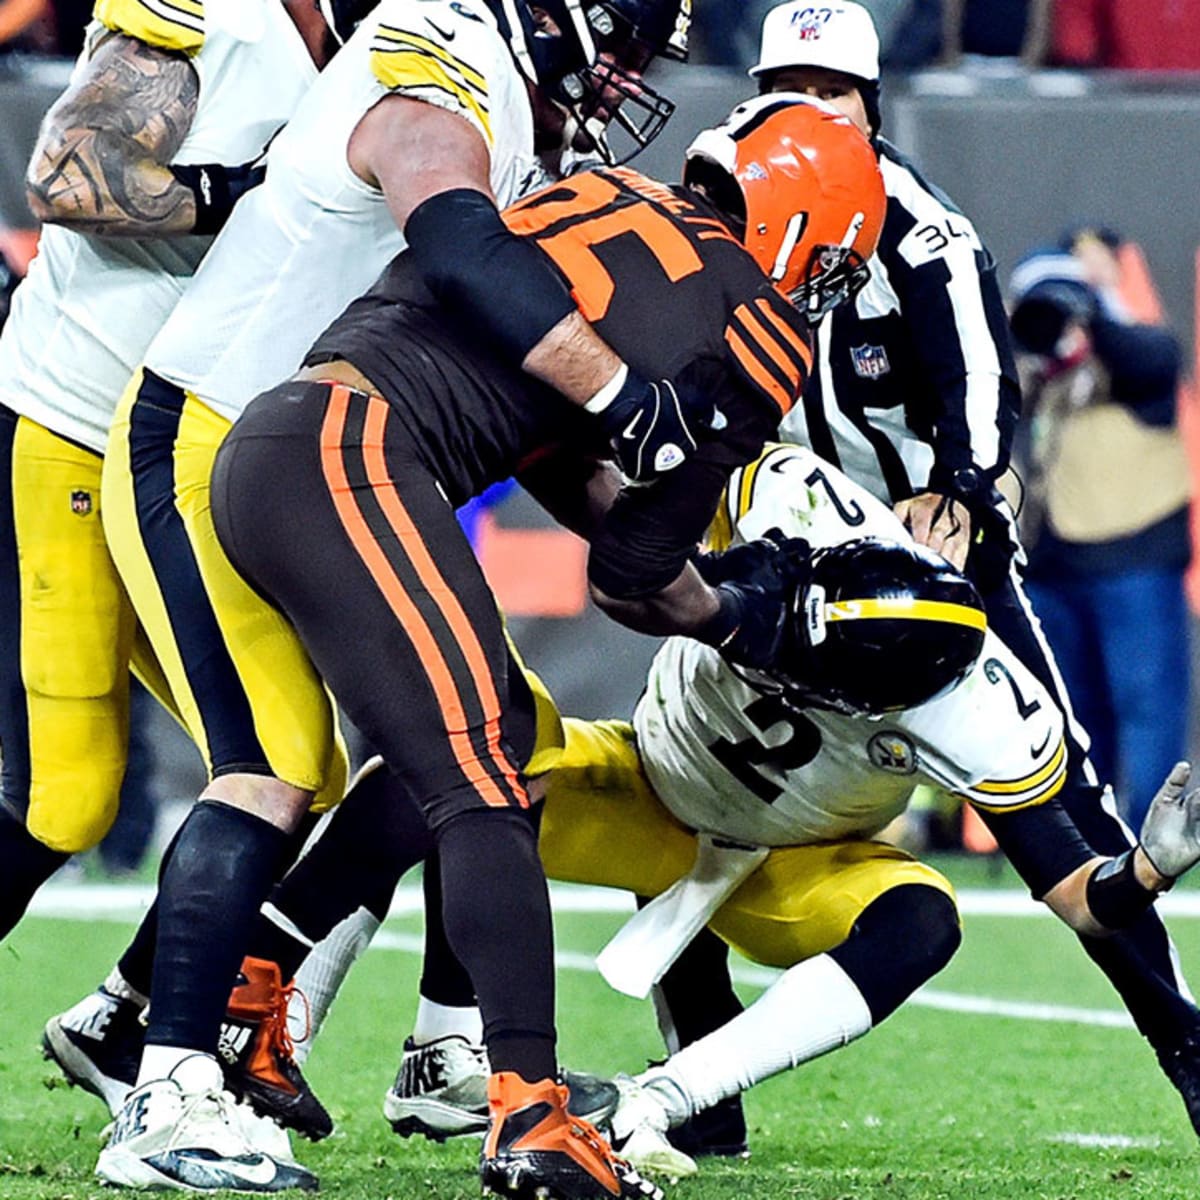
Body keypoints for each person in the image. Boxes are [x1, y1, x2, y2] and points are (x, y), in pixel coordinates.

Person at [51, 2, 712, 1194]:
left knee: (487, 726)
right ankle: (164, 1090)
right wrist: (620, 388)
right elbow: (453, 236)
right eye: (621, 38)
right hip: (208, 437)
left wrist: (664, 547)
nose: (623, 79)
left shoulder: (511, 97)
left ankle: (340, 1027)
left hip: (316, 455)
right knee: (273, 762)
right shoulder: (445, 52)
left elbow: (516, 388)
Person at [202, 94, 884, 1200]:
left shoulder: (597, 192)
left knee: (496, 737)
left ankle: (253, 989)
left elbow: (533, 420)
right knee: (482, 782)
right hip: (353, 461)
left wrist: (629, 487)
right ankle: (528, 1113)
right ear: (805, 230)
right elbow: (632, 579)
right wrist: (736, 614)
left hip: (282, 440)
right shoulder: (760, 327)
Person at [648, 0, 1200, 1155]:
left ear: (873, 106)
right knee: (675, 773)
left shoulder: (920, 231)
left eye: (831, 92)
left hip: (920, 585)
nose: (806, 113)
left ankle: (1185, 1048)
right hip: (775, 552)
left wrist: (962, 483)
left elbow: (980, 383)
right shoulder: (726, 204)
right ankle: (698, 1068)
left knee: (1056, 823)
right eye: (785, 88)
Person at [400, 440, 1200, 1178]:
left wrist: (1147, 868)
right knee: (468, 766)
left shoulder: (983, 713)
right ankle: (413, 1046)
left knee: (923, 918)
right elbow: (638, 543)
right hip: (650, 788)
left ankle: (663, 1097)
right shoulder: (788, 499)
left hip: (788, 859)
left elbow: (1083, 900)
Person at [0, 0, 345, 947]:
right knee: (66, 797)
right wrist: (249, 197)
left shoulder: (390, 41)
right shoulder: (210, 9)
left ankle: (123, 1022)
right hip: (71, 422)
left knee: (292, 766)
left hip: (189, 457)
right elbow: (68, 176)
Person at [1010, 237, 1192, 833]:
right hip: (1052, 573)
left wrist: (1090, 307)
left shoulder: (1136, 358)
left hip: (1132, 563)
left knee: (1146, 709)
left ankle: (1155, 838)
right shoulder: (1037, 378)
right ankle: (1087, 838)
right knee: (1071, 715)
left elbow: (1149, 356)